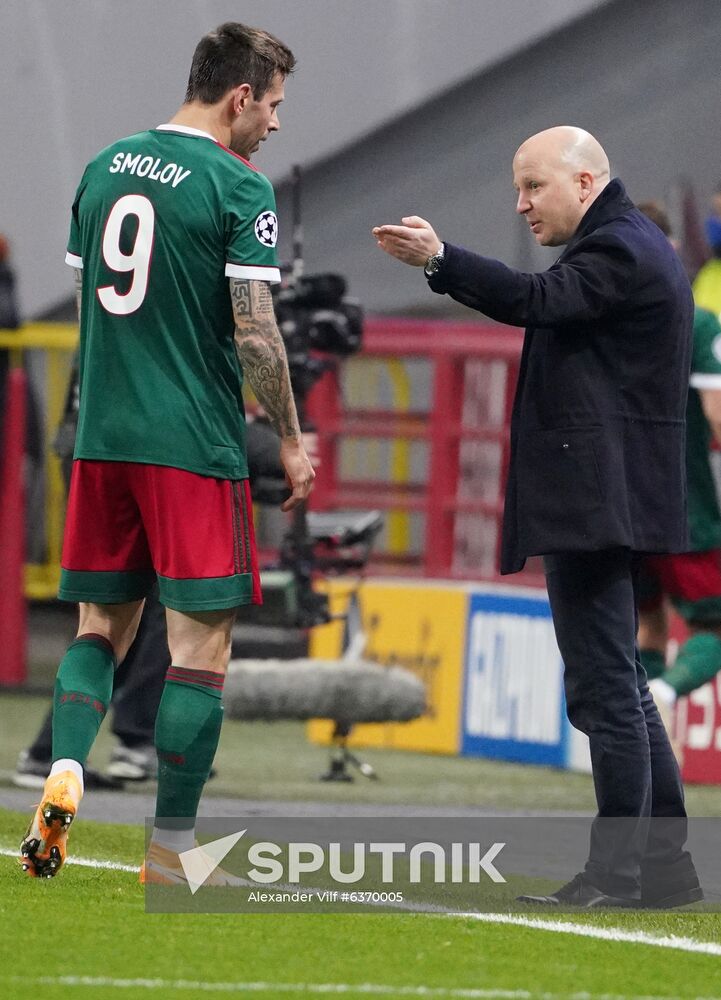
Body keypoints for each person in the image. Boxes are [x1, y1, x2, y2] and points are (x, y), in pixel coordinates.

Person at [374, 126, 701, 909]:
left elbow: (534, 300)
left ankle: (618, 874)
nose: (519, 204)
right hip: (608, 498)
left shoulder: (617, 249)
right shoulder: (627, 242)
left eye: (532, 187)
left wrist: (440, 260)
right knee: (615, 683)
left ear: (584, 182)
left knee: (604, 691)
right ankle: (662, 870)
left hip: (597, 501)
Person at [19, 21, 314, 883]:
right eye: (274, 106)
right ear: (239, 97)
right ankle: (170, 852)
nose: (276, 125)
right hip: (193, 443)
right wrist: (290, 442)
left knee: (98, 629)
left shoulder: (104, 165)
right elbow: (257, 335)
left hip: (104, 438)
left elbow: (90, 297)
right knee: (200, 650)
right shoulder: (236, 184)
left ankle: (66, 767)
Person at [634, 202, 721, 759]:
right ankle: (661, 694)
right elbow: (716, 415)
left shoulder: (611, 321)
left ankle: (640, 741)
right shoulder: (697, 319)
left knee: (649, 624)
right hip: (688, 505)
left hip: (624, 506)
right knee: (715, 624)